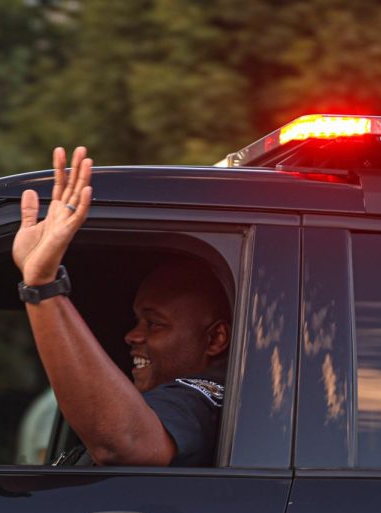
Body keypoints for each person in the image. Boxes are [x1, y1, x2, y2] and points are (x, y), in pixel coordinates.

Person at [12, 147, 231, 467]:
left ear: (215, 339)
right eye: (137, 320)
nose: (131, 336)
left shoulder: (199, 400)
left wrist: (43, 287)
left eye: (154, 324)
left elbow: (126, 444)